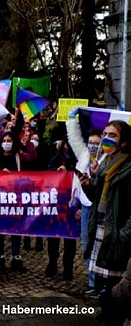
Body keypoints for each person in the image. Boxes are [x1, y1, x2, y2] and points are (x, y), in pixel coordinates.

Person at [84, 120, 131, 326]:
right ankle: (107, 312)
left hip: (116, 230)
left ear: (124, 142)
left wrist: (124, 234)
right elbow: (98, 197)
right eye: (105, 134)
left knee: (115, 283)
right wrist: (91, 181)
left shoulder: (128, 167)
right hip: (102, 226)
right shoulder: (103, 163)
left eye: (112, 135)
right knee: (102, 279)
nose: (106, 139)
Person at [0, 131, 36, 273]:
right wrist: (0, 175)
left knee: (16, 227)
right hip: (0, 197)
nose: (7, 143)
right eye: (5, 140)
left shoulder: (19, 156)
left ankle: (16, 257)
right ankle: (0, 257)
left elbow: (33, 157)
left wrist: (25, 142)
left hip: (16, 197)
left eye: (10, 140)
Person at [67, 114, 102, 295]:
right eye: (91, 142)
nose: (93, 146)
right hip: (84, 207)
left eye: (97, 143)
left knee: (95, 247)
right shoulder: (84, 155)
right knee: (86, 246)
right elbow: (74, 138)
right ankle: (92, 283)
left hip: (97, 210)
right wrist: (72, 120)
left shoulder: (105, 161)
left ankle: (97, 285)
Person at [45, 136, 78, 281]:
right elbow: (47, 176)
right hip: (57, 204)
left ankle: (68, 267)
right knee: (54, 237)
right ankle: (52, 263)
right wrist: (57, 171)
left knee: (70, 239)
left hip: (72, 204)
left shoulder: (80, 160)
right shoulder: (57, 158)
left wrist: (70, 171)